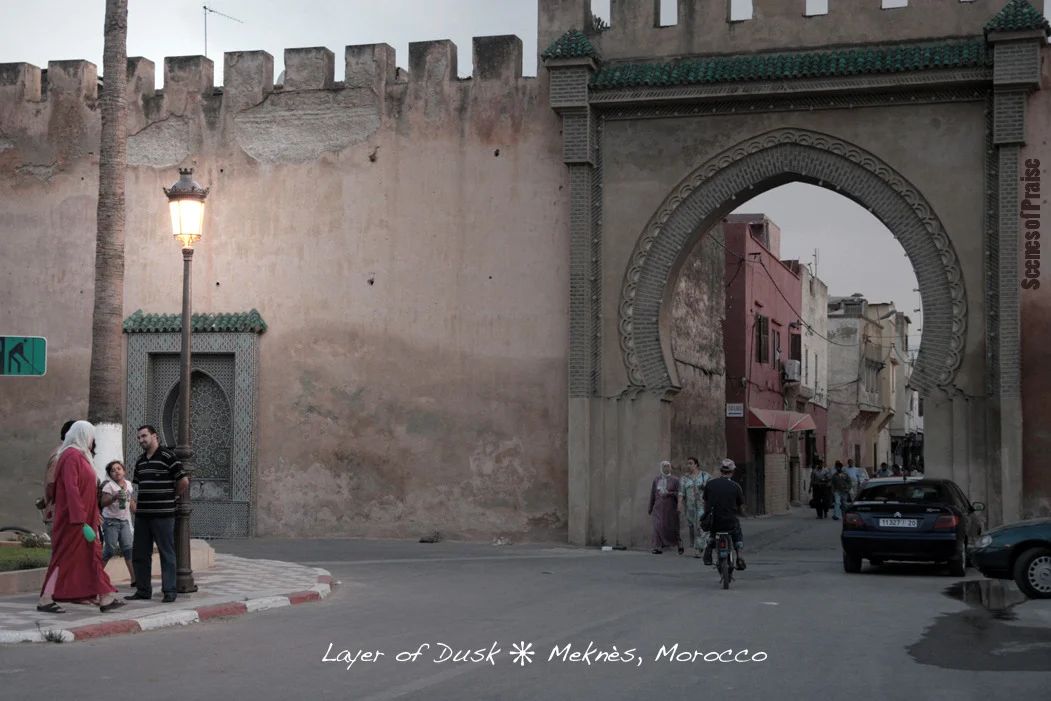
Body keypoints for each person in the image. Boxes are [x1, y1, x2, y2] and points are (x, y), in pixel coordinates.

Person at [36, 421, 125, 614]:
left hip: (84, 519)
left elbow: (87, 491)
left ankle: (103, 596)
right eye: (91, 435)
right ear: (82, 434)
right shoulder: (70, 456)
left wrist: (92, 515)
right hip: (74, 521)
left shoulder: (80, 456)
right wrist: (80, 519)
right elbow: (71, 489)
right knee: (64, 558)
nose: (93, 440)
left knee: (91, 555)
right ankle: (46, 599)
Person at [126, 425, 188, 603]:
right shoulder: (140, 461)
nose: (141, 440)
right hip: (143, 514)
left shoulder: (168, 457)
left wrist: (173, 495)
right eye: (139, 438)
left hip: (163, 514)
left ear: (155, 436)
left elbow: (183, 480)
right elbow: (139, 485)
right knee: (140, 553)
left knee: (166, 553)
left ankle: (169, 590)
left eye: (144, 436)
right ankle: (143, 590)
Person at [701, 459, 746, 570]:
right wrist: (742, 514)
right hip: (729, 522)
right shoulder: (736, 486)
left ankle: (709, 548)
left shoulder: (710, 484)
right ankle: (739, 556)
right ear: (732, 472)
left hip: (714, 521)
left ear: (721, 470)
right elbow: (741, 508)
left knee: (712, 532)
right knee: (737, 532)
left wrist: (707, 513)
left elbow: (705, 504)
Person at [36, 419, 76, 538]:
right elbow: (52, 484)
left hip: (63, 514)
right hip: (58, 515)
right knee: (61, 554)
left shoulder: (67, 454)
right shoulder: (60, 456)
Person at [100, 460, 136, 587]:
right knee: (110, 550)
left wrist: (137, 512)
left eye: (119, 469)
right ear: (110, 475)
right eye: (113, 470)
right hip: (110, 521)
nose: (116, 472)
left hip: (124, 520)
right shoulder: (109, 486)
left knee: (128, 549)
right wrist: (114, 497)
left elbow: (131, 501)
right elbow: (103, 503)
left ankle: (134, 579)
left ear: (124, 471)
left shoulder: (128, 484)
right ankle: (96, 575)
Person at [647, 460, 682, 555]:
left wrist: (670, 493)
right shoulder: (657, 480)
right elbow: (653, 494)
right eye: (665, 467)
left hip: (670, 508)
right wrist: (650, 507)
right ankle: (657, 546)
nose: (667, 468)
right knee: (657, 526)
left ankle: (676, 543)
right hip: (657, 508)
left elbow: (679, 493)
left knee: (670, 527)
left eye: (668, 466)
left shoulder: (675, 480)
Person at [678, 457, 710, 558]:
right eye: (687, 464)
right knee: (693, 527)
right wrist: (679, 504)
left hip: (702, 506)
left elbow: (713, 489)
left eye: (691, 463)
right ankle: (699, 546)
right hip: (690, 507)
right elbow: (681, 492)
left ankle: (698, 549)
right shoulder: (685, 478)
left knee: (700, 526)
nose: (688, 465)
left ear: (696, 464)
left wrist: (705, 486)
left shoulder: (705, 476)